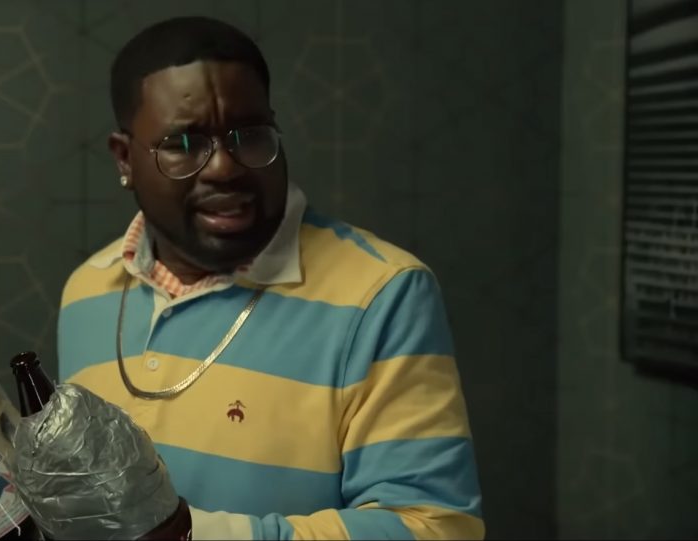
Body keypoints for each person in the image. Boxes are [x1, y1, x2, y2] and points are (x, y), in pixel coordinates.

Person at [56, 15, 484, 540]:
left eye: (250, 135)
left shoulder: (383, 293)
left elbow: (435, 528)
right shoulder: (87, 290)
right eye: (184, 144)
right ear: (124, 159)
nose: (225, 168)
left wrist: (194, 534)